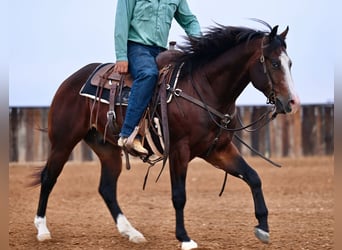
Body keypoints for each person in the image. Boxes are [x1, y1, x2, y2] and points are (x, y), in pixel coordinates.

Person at [114, 0, 201, 155]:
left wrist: (200, 45)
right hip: (136, 47)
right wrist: (121, 56)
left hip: (161, 50)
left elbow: (189, 21)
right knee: (148, 74)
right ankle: (127, 134)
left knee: (181, 79)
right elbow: (122, 21)